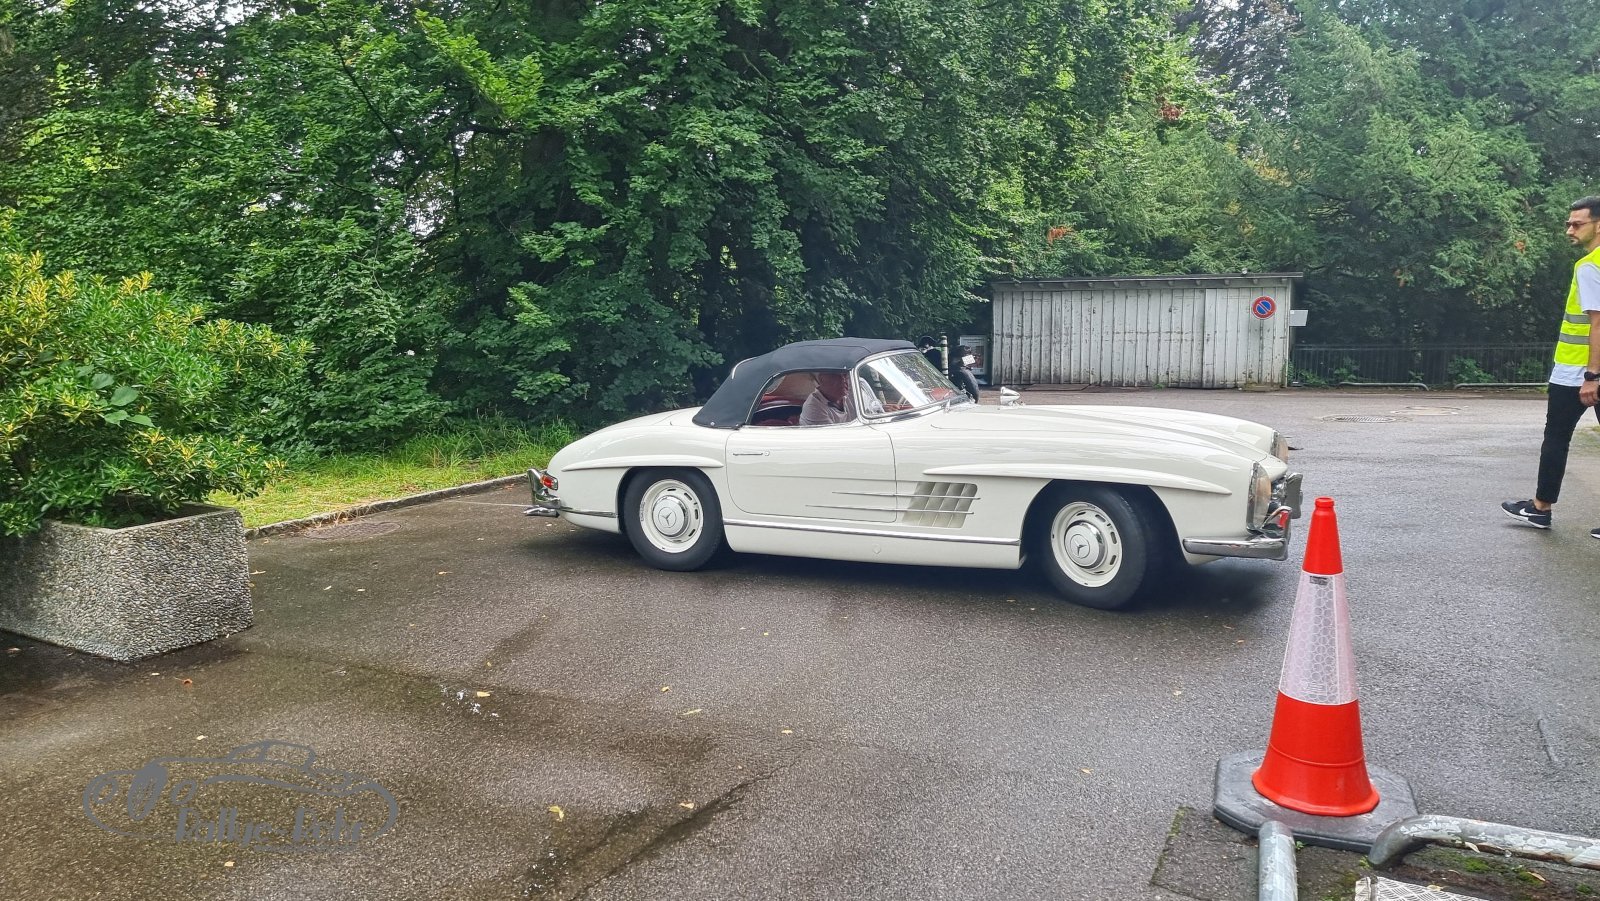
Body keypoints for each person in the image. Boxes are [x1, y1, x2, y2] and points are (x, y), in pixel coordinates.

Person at [1502, 195, 1600, 536]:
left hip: (1577, 371)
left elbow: (1597, 322)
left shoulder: (1589, 266)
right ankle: (1540, 507)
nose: (1569, 230)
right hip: (1586, 370)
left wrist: (1592, 375)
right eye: (1568, 223)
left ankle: (1541, 508)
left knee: (1556, 437)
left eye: (1577, 224)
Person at [799, 370, 882, 425]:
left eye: (845, 375)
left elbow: (875, 411)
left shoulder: (857, 384)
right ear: (822, 379)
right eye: (836, 376)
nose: (843, 380)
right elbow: (836, 438)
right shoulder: (814, 407)